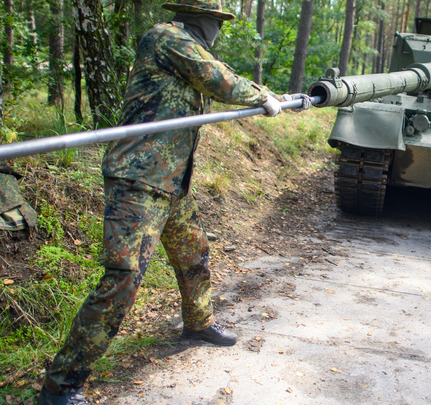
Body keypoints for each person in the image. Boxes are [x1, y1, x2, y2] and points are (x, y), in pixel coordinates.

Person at [36, 1, 310, 403]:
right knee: (123, 279)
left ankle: (198, 323)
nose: (219, 30)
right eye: (218, 22)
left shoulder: (188, 48)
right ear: (201, 18)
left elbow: (218, 78)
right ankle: (62, 383)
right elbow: (218, 79)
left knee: (194, 251)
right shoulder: (168, 38)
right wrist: (260, 95)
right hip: (138, 180)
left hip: (171, 180)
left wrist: (268, 95)